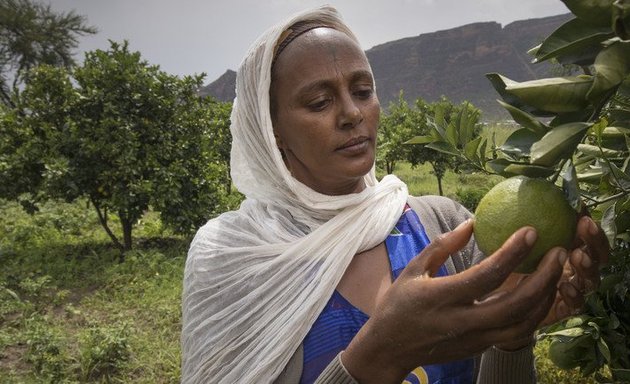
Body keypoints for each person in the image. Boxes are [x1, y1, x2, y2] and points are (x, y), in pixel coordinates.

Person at [181, 6, 609, 384]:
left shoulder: (446, 226)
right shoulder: (232, 257)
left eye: (363, 91)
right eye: (318, 102)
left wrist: (513, 333)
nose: (352, 113)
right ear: (271, 131)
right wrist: (376, 357)